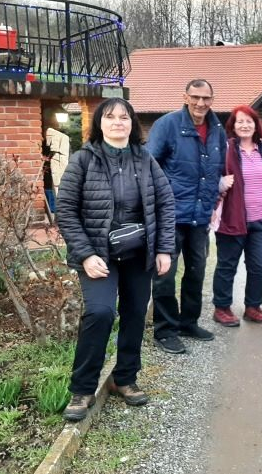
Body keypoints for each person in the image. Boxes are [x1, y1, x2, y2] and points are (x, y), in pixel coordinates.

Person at [57, 98, 175, 421]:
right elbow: (65, 212)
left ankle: (125, 378)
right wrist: (86, 254)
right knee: (100, 312)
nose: (118, 122)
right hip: (98, 254)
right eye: (110, 117)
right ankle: (82, 389)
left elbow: (165, 205)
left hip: (138, 253)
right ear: (100, 123)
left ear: (132, 124)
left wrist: (164, 249)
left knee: (136, 312)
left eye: (124, 117)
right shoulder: (83, 160)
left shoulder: (146, 159)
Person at [147, 79, 227, 354]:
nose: (200, 103)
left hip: (200, 217)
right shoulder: (167, 125)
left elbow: (217, 169)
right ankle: (165, 330)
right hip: (170, 216)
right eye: (195, 97)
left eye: (206, 98)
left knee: (196, 271)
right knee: (165, 274)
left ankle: (188, 322)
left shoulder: (217, 129)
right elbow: (149, 165)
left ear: (212, 99)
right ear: (185, 97)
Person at [212, 106, 262, 326]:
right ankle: (222, 308)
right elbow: (209, 176)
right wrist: (219, 184)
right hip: (233, 219)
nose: (244, 125)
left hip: (261, 221)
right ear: (232, 126)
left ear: (256, 124)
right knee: (227, 266)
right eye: (239, 122)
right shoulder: (225, 149)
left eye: (249, 121)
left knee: (260, 265)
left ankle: (253, 307)